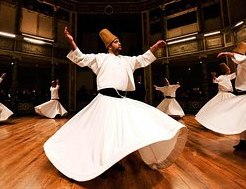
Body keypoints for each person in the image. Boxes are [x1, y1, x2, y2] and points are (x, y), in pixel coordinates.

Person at [43, 27, 188, 182]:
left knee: (119, 132)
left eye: (119, 41)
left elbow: (143, 59)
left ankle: (114, 160)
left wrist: (156, 47)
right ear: (109, 45)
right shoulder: (100, 58)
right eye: (116, 41)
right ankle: (100, 164)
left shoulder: (127, 61)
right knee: (103, 133)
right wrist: (72, 42)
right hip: (105, 101)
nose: (120, 43)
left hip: (121, 102)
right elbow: (81, 58)